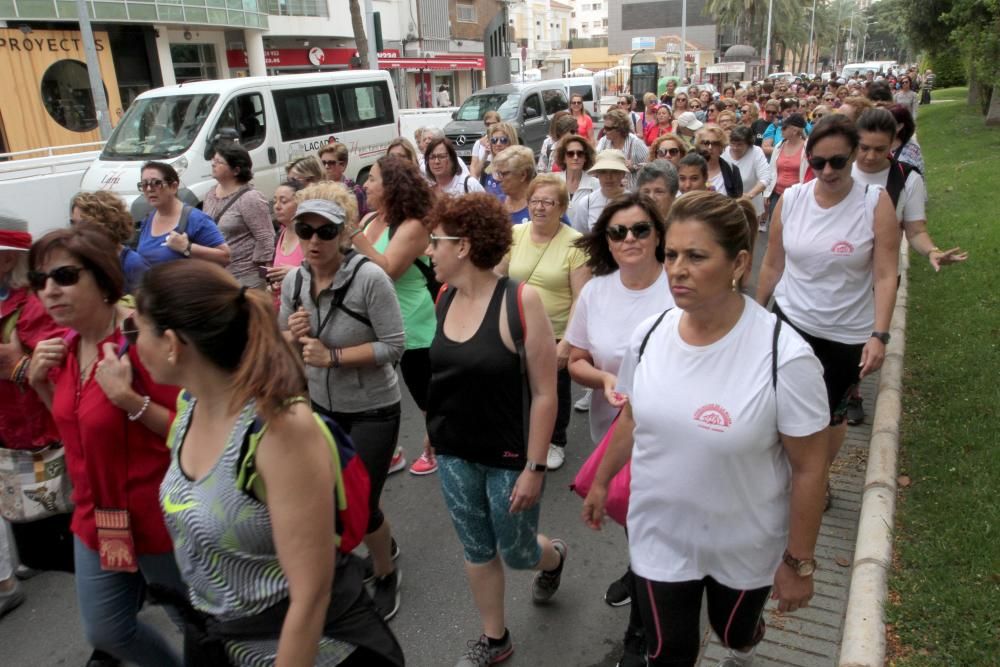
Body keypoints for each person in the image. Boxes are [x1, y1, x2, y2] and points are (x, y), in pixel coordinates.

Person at [582, 191, 830, 667]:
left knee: (734, 634)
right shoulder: (650, 334)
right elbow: (632, 417)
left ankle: (743, 642)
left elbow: (809, 468)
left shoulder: (785, 356)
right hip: (659, 533)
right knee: (669, 652)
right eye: (671, 254)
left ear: (739, 262)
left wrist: (798, 562)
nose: (677, 269)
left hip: (744, 542)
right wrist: (601, 481)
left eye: (696, 256)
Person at [142, 259, 404, 666]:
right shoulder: (189, 407)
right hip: (223, 643)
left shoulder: (278, 429)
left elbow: (311, 594)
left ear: (173, 344)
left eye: (137, 331)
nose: (132, 345)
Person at [27, 224, 186, 666]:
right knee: (108, 630)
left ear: (102, 277)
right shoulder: (62, 348)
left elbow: (192, 433)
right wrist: (41, 384)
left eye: (64, 276)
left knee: (196, 624)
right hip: (97, 518)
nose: (50, 291)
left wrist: (129, 400)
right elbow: (78, 433)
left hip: (159, 516)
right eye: (40, 282)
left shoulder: (143, 341)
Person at [424, 193, 567, 666]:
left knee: (520, 552)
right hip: (453, 451)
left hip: (509, 456)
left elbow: (546, 393)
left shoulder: (520, 301)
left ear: (462, 246)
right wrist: (434, 428)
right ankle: (495, 640)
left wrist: (535, 466)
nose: (429, 250)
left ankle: (555, 557)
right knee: (478, 548)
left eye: (435, 241)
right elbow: (446, 373)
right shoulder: (443, 296)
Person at [756, 115, 900, 507]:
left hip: (845, 334)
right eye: (819, 162)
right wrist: (754, 314)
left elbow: (887, 274)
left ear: (853, 155)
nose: (828, 170)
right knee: (778, 406)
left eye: (838, 161)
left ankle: (816, 477)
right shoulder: (794, 199)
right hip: (791, 321)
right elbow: (772, 264)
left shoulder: (875, 203)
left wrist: (879, 334)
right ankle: (783, 474)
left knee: (828, 415)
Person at [278, 184, 406, 620]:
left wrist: (332, 357)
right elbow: (285, 345)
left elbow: (394, 345)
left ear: (346, 234)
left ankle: (386, 572)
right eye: (305, 230)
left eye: (326, 231)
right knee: (337, 496)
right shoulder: (295, 281)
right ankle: (382, 542)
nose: (314, 241)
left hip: (373, 407)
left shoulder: (369, 278)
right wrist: (292, 336)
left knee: (361, 503)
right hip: (321, 408)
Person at [565, 192, 674, 664]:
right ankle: (638, 567)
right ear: (606, 242)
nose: (629, 238)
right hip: (614, 429)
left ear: (657, 236)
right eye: (617, 232)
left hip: (669, 433)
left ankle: (640, 633)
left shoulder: (679, 285)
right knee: (633, 516)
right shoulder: (596, 291)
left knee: (655, 524)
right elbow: (575, 361)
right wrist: (607, 378)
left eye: (640, 229)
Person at [0, 215, 69, 618]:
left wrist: (16, 366)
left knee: (65, 545)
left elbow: (63, 376)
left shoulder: (34, 306)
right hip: (13, 440)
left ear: (8, 261)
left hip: (45, 441)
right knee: (41, 547)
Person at [497, 175, 589, 470]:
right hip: (514, 328)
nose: (539, 208)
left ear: (561, 208)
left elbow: (580, 298)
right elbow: (497, 276)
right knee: (516, 387)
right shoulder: (515, 233)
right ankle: (525, 436)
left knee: (553, 389)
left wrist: (568, 343)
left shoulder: (575, 244)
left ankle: (554, 441)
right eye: (534, 201)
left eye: (547, 202)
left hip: (555, 332)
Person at [355, 156, 438, 477]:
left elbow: (387, 269)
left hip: (415, 323)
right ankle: (388, 452)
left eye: (373, 179)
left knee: (424, 394)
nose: (365, 185)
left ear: (391, 186)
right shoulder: (369, 220)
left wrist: (353, 236)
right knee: (374, 394)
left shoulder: (414, 225)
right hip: (375, 322)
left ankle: (438, 445)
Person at [203, 144, 274, 289]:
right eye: (213, 160)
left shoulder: (250, 198)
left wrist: (262, 275)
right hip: (218, 274)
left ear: (236, 170)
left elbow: (265, 237)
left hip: (246, 277)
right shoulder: (210, 194)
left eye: (219, 162)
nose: (213, 164)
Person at [135, 162, 230, 267]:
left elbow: (225, 257)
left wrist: (187, 247)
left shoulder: (196, 219)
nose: (149, 189)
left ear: (174, 186)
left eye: (156, 183)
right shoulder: (148, 219)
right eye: (144, 184)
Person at [70, 191, 150, 294]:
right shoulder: (84, 260)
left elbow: (150, 307)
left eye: (82, 224)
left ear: (103, 226)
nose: (74, 230)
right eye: (73, 223)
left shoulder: (133, 264)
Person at [762, 114, 809, 232]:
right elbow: (772, 170)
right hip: (777, 195)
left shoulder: (807, 148)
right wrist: (768, 193)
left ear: (794, 130)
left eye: (784, 128)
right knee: (775, 228)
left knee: (794, 229)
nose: (780, 130)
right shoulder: (779, 146)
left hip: (798, 197)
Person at [265, 179, 305, 305]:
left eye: (283, 201)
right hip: (281, 312)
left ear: (300, 204)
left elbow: (325, 275)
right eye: (275, 200)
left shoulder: (310, 237)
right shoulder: (280, 235)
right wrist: (272, 287)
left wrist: (295, 273)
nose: (277, 206)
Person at [571, 149, 628, 233]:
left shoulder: (634, 201)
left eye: (614, 172)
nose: (609, 177)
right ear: (597, 174)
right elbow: (579, 236)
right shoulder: (586, 203)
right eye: (603, 172)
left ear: (622, 174)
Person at [723, 126, 771, 219]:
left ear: (749, 144)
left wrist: (749, 196)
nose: (735, 147)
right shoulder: (724, 151)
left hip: (750, 206)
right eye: (732, 143)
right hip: (727, 206)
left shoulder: (756, 151)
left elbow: (765, 178)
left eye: (740, 144)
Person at [596, 109, 648, 191]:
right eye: (604, 128)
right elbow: (595, 161)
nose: (604, 131)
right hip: (609, 191)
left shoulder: (636, 143)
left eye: (608, 128)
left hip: (630, 193)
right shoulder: (604, 141)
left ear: (620, 129)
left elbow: (650, 165)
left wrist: (634, 166)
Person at [492, 145, 540, 225]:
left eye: (503, 174)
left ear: (522, 175)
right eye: (498, 173)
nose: (498, 179)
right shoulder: (496, 204)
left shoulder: (543, 207)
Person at [319, 142, 370, 217]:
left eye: (331, 163)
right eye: (323, 163)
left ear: (343, 165)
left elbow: (364, 220)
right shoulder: (318, 190)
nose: (326, 166)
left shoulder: (355, 191)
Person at [695, 125, 742, 198]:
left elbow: (738, 200)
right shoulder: (690, 168)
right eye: (706, 143)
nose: (710, 147)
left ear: (721, 146)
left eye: (715, 144)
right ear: (699, 146)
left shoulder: (732, 170)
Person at [554, 134, 600, 205]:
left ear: (585, 158)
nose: (575, 157)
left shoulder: (596, 185)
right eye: (570, 153)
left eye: (580, 153)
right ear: (563, 158)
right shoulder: (553, 181)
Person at [480, 122, 519, 197]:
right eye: (494, 140)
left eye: (503, 140)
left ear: (511, 141)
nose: (498, 144)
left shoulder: (521, 168)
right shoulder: (486, 168)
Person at [888, 105, 925, 175]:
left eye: (886, 122)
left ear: (899, 126)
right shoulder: (882, 145)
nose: (880, 125)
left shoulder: (910, 152)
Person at [470, 110, 502, 179]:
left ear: (499, 123)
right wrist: (485, 155)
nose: (490, 126)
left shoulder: (503, 142)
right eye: (488, 124)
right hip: (483, 184)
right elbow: (474, 171)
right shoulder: (478, 144)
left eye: (493, 123)